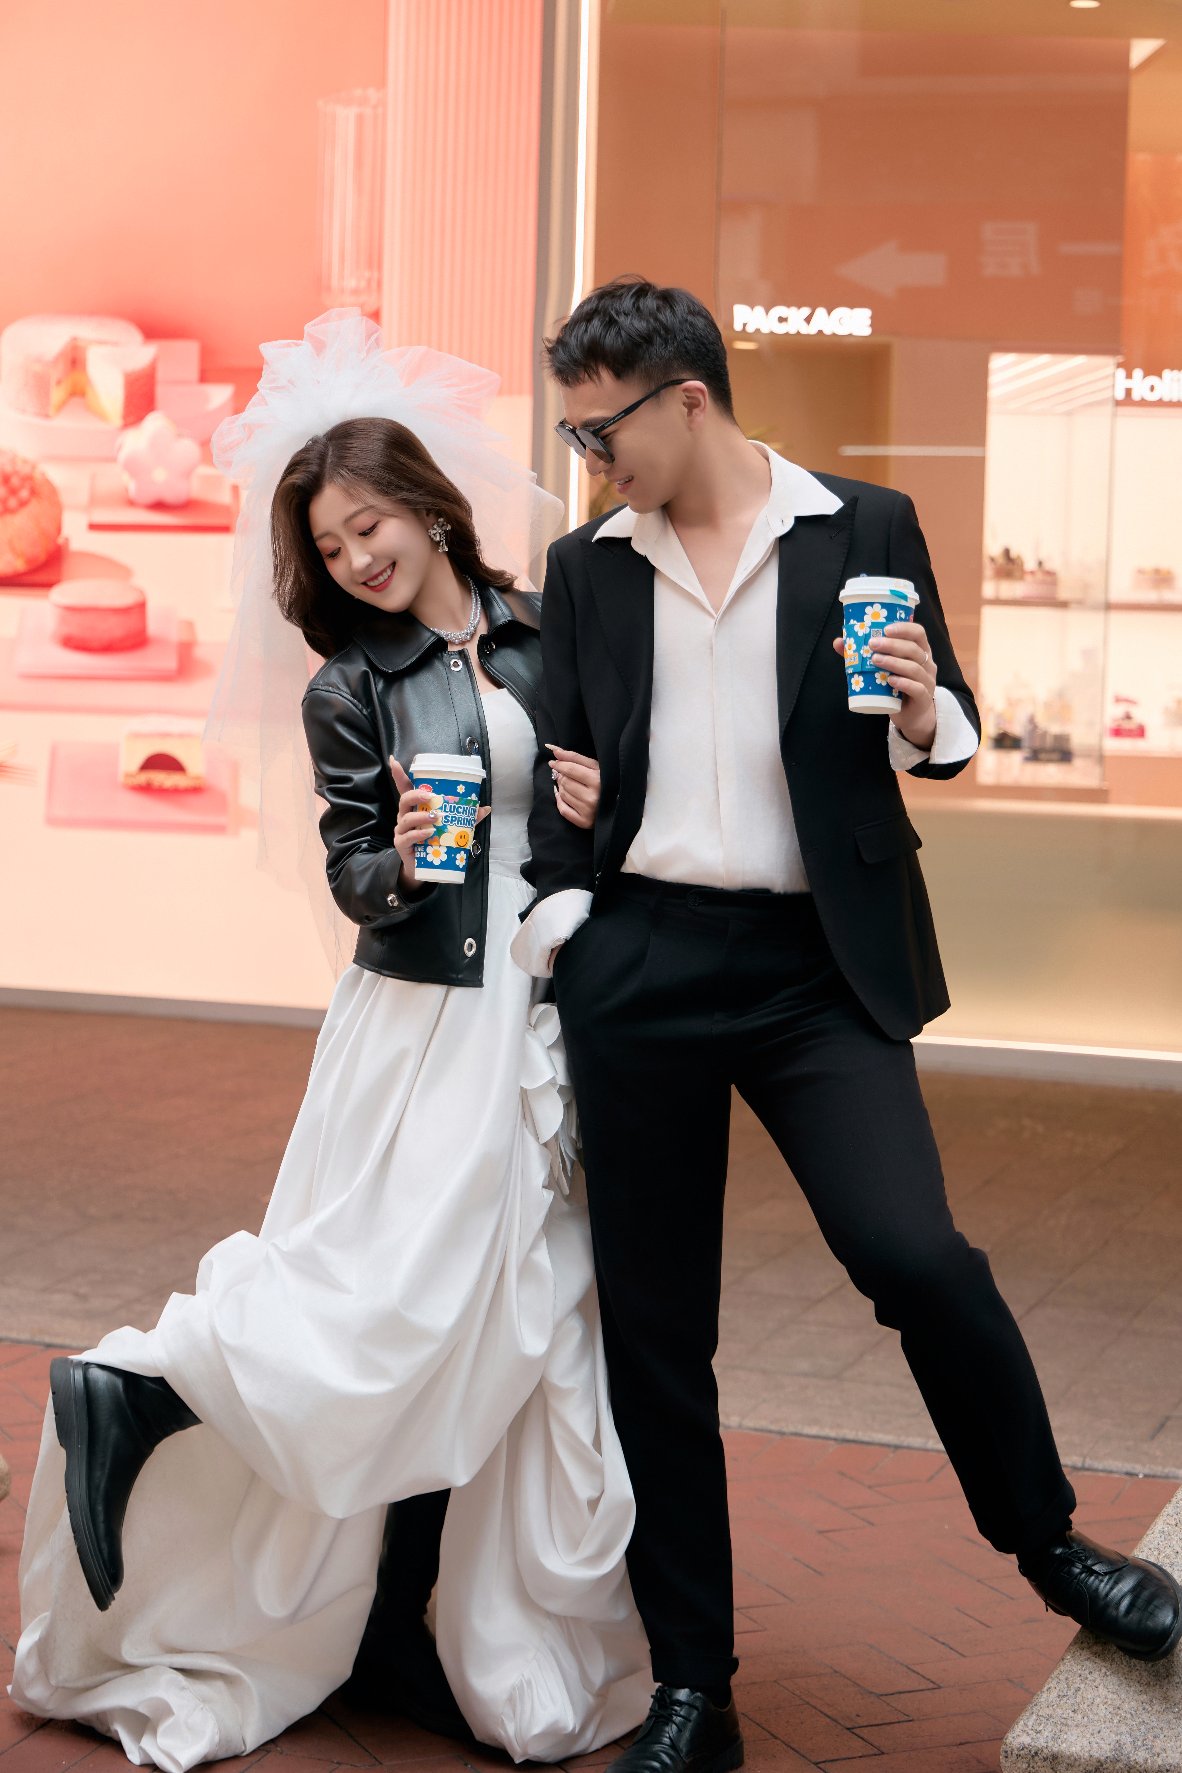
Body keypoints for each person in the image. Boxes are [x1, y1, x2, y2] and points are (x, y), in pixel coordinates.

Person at [510, 277, 1182, 1773]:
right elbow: (567, 764)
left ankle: (1051, 1542)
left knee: (914, 1254)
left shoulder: (862, 526)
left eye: (600, 430)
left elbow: (948, 729)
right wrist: (568, 914)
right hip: (641, 960)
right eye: (574, 436)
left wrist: (925, 708)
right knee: (656, 1333)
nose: (588, 460)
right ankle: (694, 1687)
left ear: (688, 398)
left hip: (815, 965)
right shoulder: (587, 568)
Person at [11, 312, 650, 1773]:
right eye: (333, 542)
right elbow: (351, 873)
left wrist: (600, 806)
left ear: (427, 505)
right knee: (394, 1292)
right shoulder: (347, 685)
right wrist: (408, 858)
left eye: (373, 524)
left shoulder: (544, 630)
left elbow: (606, 813)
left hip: (542, 1004)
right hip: (426, 1019)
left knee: (497, 1314)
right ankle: (151, 1383)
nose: (360, 557)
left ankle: (405, 1618)